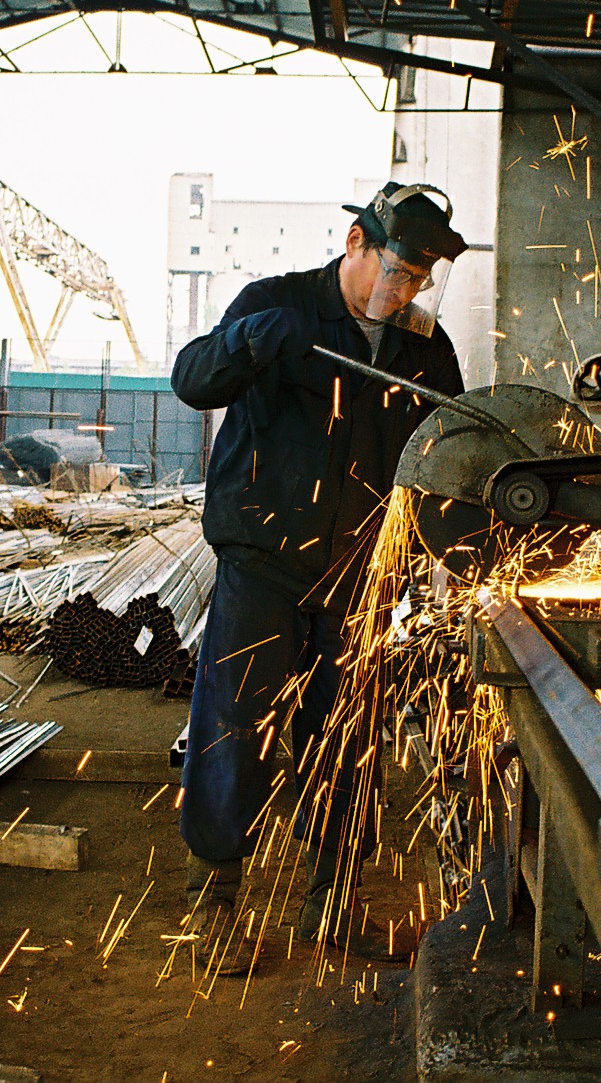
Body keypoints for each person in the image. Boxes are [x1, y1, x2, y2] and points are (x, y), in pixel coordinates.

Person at [170, 182, 468, 973]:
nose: (405, 291)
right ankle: (219, 899)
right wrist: (247, 344)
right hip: (263, 565)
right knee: (234, 729)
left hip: (363, 577)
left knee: (347, 741)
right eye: (398, 271)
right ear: (355, 244)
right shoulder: (275, 303)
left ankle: (333, 903)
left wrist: (440, 558)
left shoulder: (423, 346)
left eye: (419, 278)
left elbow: (448, 451)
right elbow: (192, 380)